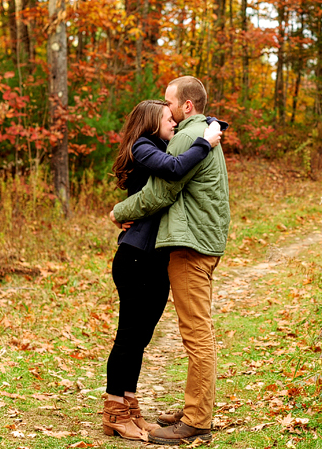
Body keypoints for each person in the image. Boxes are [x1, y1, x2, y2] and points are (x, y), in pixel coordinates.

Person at [110, 76, 231, 446]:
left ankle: (196, 418)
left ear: (187, 106)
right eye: (165, 112)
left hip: (188, 245)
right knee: (143, 334)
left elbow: (160, 192)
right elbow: (160, 187)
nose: (171, 115)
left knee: (193, 334)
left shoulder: (187, 138)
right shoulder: (193, 138)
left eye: (171, 104)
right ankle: (129, 409)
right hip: (167, 248)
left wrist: (117, 211)